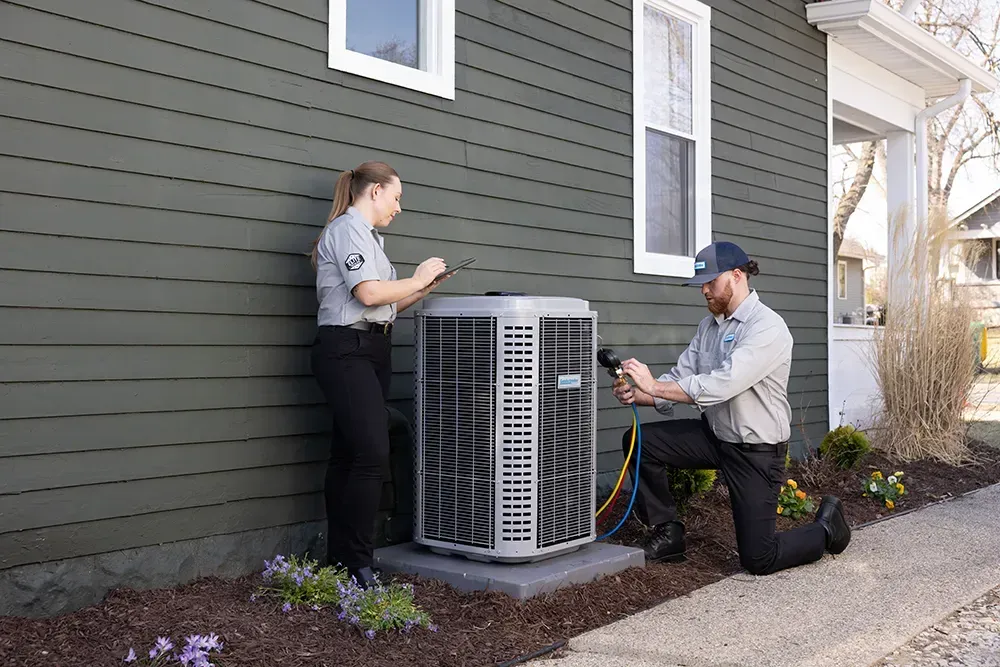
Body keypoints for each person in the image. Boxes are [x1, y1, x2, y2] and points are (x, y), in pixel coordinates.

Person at [613, 241, 851, 575]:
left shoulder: (767, 327)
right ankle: (667, 534)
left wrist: (653, 386)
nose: (704, 291)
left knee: (759, 558)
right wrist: (640, 395)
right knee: (640, 441)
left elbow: (722, 384)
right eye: (701, 284)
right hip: (715, 436)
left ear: (737, 276)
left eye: (711, 282)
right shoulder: (708, 327)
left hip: (756, 450)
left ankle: (827, 528)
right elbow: (682, 376)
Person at [309, 161, 450, 589]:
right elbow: (367, 292)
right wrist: (415, 276)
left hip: (371, 348)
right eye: (396, 197)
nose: (399, 207)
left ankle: (339, 559)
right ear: (374, 192)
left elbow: (381, 306)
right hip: (345, 350)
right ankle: (358, 564)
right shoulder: (346, 230)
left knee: (349, 455)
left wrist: (419, 290)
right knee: (371, 454)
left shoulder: (370, 239)